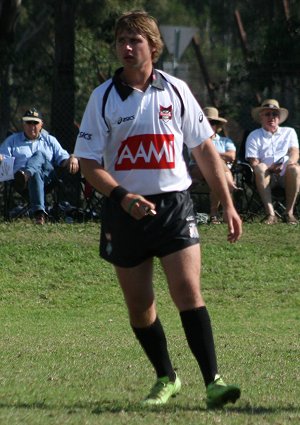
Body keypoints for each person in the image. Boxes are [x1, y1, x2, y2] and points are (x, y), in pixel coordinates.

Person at [74, 10, 242, 409]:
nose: (127, 48)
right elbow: (89, 163)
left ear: (153, 46)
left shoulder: (176, 90)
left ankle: (214, 382)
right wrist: (123, 198)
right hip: (124, 210)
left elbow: (203, 148)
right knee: (140, 306)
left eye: (135, 41)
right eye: (121, 41)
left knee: (187, 291)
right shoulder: (102, 98)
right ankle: (166, 376)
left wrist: (229, 203)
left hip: (173, 205)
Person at [0, 107, 79, 224]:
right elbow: (4, 161)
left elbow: (64, 159)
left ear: (41, 124)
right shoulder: (12, 141)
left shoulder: (50, 140)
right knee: (36, 172)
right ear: (23, 124)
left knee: (39, 155)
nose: (32, 126)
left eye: (35, 123)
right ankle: (39, 215)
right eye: (28, 122)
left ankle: (26, 174)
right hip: (19, 180)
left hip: (48, 179)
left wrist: (73, 157)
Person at [245, 99, 300, 224]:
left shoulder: (289, 132)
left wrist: (287, 164)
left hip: (286, 175)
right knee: (260, 167)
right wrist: (270, 168)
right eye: (267, 114)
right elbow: (253, 161)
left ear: (279, 117)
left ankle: (289, 213)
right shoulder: (254, 135)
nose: (271, 117)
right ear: (261, 117)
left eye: (275, 114)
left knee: (295, 167)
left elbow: (294, 152)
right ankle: (271, 214)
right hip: (266, 177)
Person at [189, 107, 237, 224]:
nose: (209, 126)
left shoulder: (225, 141)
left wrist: (210, 155)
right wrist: (218, 157)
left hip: (213, 175)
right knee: (217, 167)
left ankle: (214, 214)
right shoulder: (194, 140)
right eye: (206, 123)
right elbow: (195, 157)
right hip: (198, 171)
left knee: (216, 174)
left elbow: (231, 156)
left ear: (217, 126)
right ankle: (215, 212)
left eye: (213, 123)